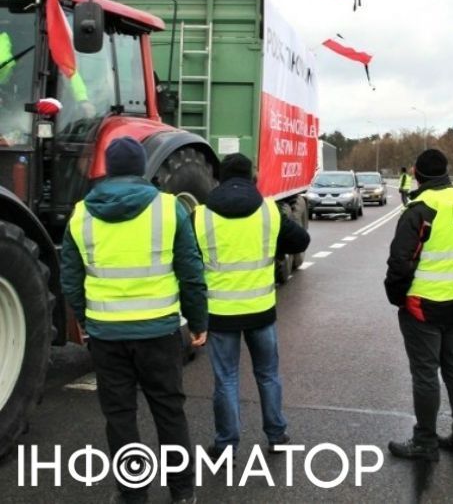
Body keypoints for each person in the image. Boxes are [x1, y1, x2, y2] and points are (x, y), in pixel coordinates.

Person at [59, 138, 207, 504]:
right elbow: (191, 272)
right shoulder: (168, 209)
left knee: (121, 416)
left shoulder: (81, 214)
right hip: (159, 332)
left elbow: (70, 279)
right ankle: (182, 492)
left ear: (108, 168)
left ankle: (132, 492)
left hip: (107, 336)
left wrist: (85, 318)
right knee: (169, 411)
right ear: (142, 167)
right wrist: (199, 321)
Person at [195, 153, 311, 460]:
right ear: (252, 178)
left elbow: (190, 258)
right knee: (268, 374)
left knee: (226, 380)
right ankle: (276, 435)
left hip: (220, 314)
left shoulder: (201, 215)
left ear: (218, 178)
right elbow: (301, 241)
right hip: (261, 311)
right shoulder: (269, 212)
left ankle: (226, 446)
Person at [384, 148, 453, 460]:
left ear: (416, 173)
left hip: (422, 304)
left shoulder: (419, 208)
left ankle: (425, 442)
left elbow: (400, 262)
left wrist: (396, 296)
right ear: (446, 170)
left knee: (426, 373)